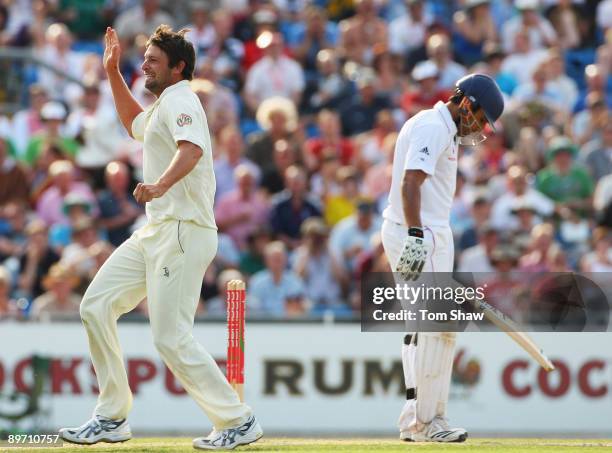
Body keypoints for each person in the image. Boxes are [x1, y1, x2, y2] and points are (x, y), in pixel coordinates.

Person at [58, 26, 262, 449]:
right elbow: (134, 122)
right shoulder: (162, 105)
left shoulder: (183, 99)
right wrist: (112, 71)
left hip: (184, 230)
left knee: (170, 337)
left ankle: (237, 420)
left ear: (178, 67)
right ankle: (112, 416)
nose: (145, 66)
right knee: (95, 306)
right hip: (157, 230)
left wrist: (159, 185)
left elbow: (192, 150)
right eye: (144, 59)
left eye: (153, 60)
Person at [380, 73, 504, 442]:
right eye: (481, 118)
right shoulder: (433, 127)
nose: (480, 127)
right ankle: (430, 421)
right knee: (439, 324)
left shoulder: (442, 129)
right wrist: (417, 235)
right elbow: (410, 182)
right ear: (466, 102)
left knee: (421, 328)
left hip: (424, 230)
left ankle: (413, 419)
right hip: (421, 232)